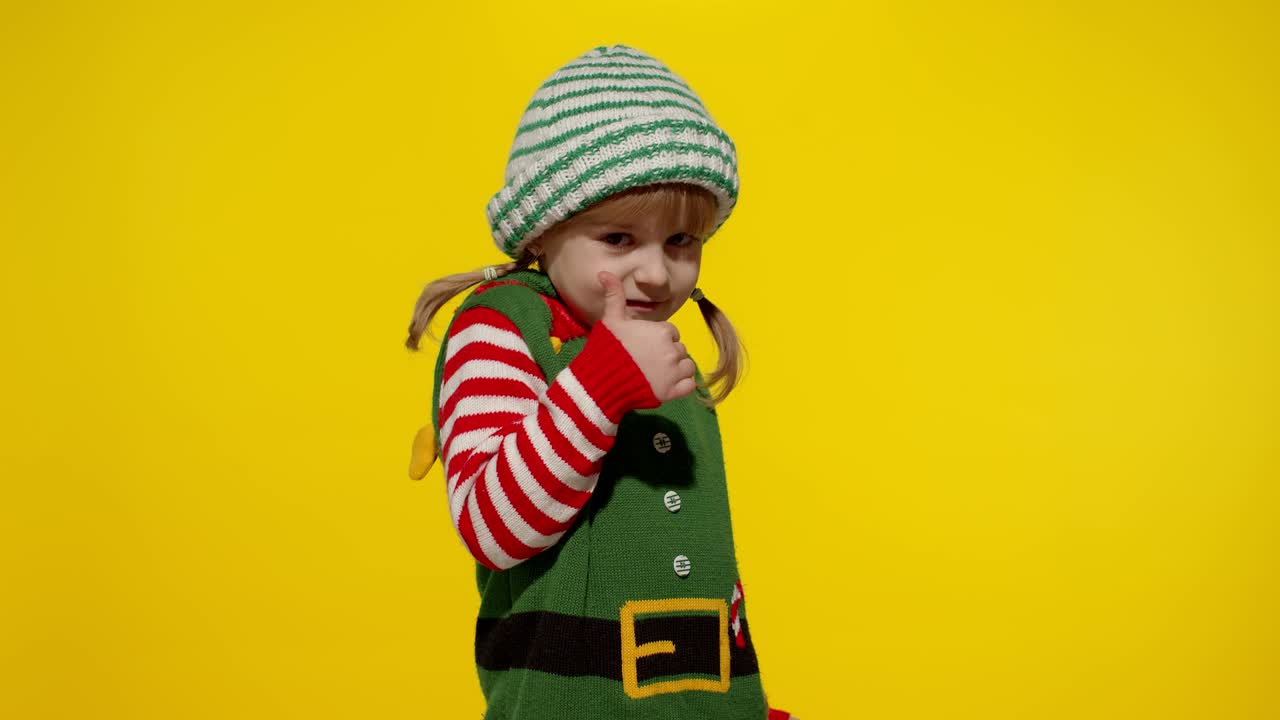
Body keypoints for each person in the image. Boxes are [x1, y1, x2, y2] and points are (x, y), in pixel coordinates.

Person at [405, 44, 794, 720]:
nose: (657, 274)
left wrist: (740, 701)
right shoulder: (501, 328)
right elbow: (492, 528)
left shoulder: (669, 359)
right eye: (618, 239)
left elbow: (705, 571)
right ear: (543, 231)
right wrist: (603, 384)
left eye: (681, 241)